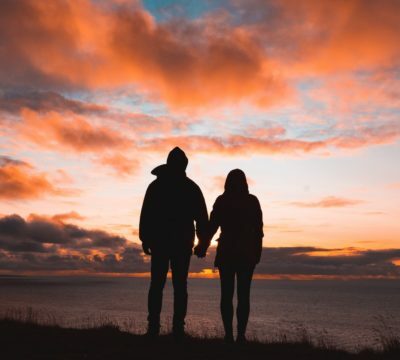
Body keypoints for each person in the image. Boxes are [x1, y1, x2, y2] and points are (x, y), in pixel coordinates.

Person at [139, 147, 209, 340]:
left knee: (159, 285)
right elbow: (202, 219)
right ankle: (173, 329)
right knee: (178, 286)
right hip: (178, 243)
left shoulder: (157, 187)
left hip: (164, 243)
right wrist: (202, 244)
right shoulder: (190, 188)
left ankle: (157, 328)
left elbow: (146, 215)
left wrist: (145, 238)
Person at [205, 169, 263, 343]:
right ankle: (236, 335)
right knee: (240, 295)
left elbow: (211, 227)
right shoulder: (251, 201)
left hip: (231, 253)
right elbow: (258, 231)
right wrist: (257, 252)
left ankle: (233, 335)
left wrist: (202, 245)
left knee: (230, 295)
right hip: (242, 253)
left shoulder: (223, 201)